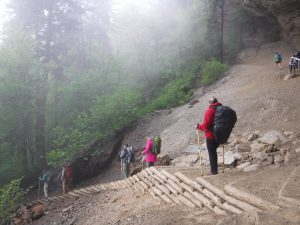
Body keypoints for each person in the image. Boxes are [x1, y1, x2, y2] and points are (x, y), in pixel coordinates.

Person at [196, 97, 222, 175]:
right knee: (214, 152)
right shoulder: (221, 109)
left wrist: (199, 127)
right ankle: (214, 170)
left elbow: (206, 125)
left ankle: (214, 171)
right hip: (221, 134)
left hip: (211, 135)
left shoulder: (210, 111)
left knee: (212, 153)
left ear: (210, 103)